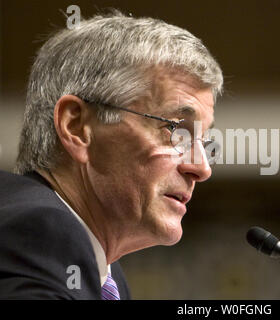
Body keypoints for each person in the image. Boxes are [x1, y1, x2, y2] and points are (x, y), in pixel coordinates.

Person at [0, 11, 223, 299]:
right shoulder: (38, 233)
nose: (202, 169)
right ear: (77, 127)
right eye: (177, 131)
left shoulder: (104, 273)